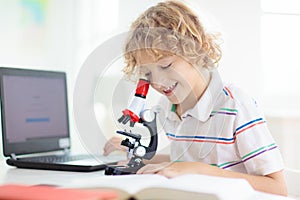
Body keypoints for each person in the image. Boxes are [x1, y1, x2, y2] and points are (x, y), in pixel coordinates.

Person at [103, 0, 287, 196]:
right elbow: (182, 162)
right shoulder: (167, 106)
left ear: (198, 50)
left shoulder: (236, 106)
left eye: (165, 66)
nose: (157, 82)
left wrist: (202, 171)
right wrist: (137, 156)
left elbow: (277, 187)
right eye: (147, 74)